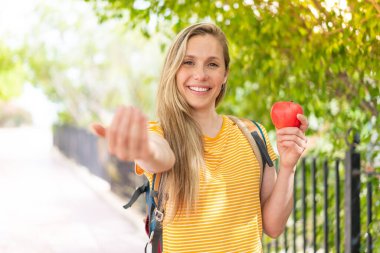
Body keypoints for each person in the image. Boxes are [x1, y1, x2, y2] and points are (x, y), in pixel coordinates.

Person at [92, 23, 308, 252]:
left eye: (212, 64)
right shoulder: (159, 133)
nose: (200, 74)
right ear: (174, 70)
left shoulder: (254, 135)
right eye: (188, 62)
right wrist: (141, 148)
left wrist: (288, 166)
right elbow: (159, 155)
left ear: (225, 74)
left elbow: (274, 227)